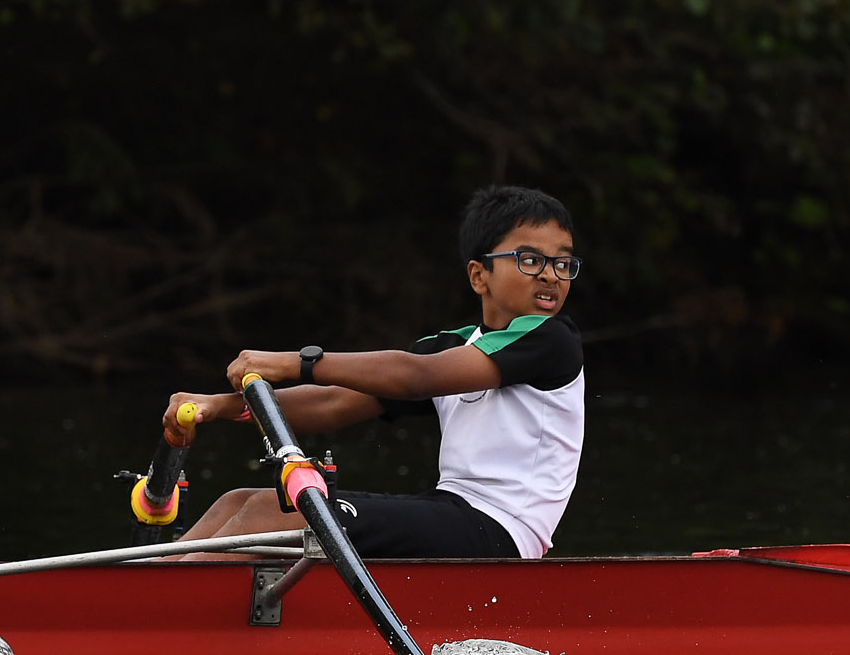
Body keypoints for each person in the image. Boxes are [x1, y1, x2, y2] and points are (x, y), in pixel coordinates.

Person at [166, 184, 584, 559]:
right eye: (530, 259)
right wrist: (219, 406)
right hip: (455, 511)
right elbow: (332, 404)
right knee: (238, 501)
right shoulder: (457, 346)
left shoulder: (552, 340)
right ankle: (140, 590)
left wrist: (296, 362)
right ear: (479, 275)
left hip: (503, 532)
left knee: (270, 513)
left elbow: (414, 376)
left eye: (562, 264)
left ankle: (159, 621)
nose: (550, 275)